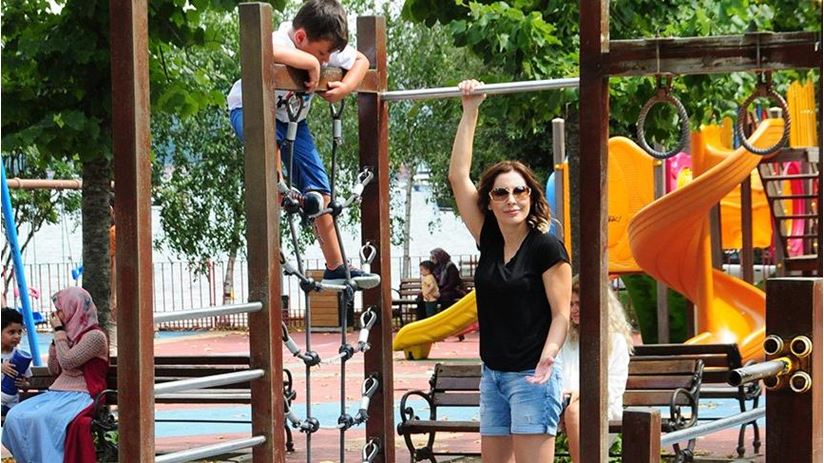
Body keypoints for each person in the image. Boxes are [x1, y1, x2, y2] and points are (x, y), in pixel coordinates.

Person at [449, 79, 572, 462]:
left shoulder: (546, 247)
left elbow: (561, 314)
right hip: (494, 375)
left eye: (520, 191)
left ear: (531, 196)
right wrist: (471, 109)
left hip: (532, 375)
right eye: (501, 193)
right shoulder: (488, 238)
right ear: (489, 200)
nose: (511, 200)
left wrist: (549, 355)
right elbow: (458, 176)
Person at [227, 0, 378, 289]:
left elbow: (361, 61)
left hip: (293, 121)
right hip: (249, 110)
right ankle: (280, 195)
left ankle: (335, 265)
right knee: (268, 144)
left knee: (321, 191)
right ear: (300, 37)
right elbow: (261, 50)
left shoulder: (322, 44)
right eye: (321, 54)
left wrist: (345, 87)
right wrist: (310, 63)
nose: (326, 60)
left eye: (328, 55)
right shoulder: (279, 39)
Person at [2, 287, 109, 463]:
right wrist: (56, 337)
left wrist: (59, 331)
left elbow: (67, 361)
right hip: (57, 394)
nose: (56, 314)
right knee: (15, 416)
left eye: (60, 309)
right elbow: (54, 369)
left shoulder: (95, 336)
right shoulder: (67, 336)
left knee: (41, 418)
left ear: (74, 308)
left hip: (82, 395)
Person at [556, 276, 634, 462]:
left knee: (575, 412)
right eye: (570, 304)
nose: (574, 309)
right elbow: (557, 375)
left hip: (603, 408)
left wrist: (580, 394)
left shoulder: (615, 341)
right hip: (563, 405)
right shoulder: (566, 340)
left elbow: (614, 387)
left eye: (579, 304)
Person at [1, 308, 32, 415]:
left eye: (19, 332)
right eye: (11, 332)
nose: (17, 336)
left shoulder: (20, 357)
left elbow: (26, 383)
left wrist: (24, 384)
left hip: (11, 407)